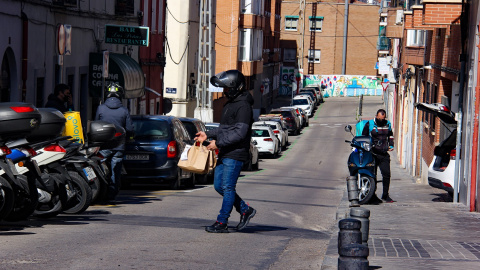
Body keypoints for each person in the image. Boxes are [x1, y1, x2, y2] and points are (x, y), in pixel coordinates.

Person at [195, 70, 256, 233]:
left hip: (235, 153)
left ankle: (222, 222)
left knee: (228, 187)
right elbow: (225, 129)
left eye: (226, 89)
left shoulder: (243, 106)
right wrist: (208, 134)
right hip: (225, 151)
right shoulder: (230, 104)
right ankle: (245, 209)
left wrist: (218, 143)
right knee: (218, 186)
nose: (224, 92)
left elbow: (239, 133)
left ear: (235, 87)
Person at [95, 82, 133, 201]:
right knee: (115, 171)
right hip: (119, 146)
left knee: (99, 168)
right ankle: (111, 193)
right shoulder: (124, 110)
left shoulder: (100, 108)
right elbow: (130, 129)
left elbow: (96, 124)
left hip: (103, 145)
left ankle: (100, 191)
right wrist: (129, 139)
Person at [362, 109, 395, 203]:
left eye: (383, 118)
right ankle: (372, 196)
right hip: (373, 154)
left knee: (387, 175)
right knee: (373, 175)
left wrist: (391, 145)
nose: (382, 120)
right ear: (376, 116)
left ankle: (385, 195)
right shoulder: (370, 124)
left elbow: (390, 136)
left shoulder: (387, 124)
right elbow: (364, 137)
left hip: (384, 154)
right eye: (380, 119)